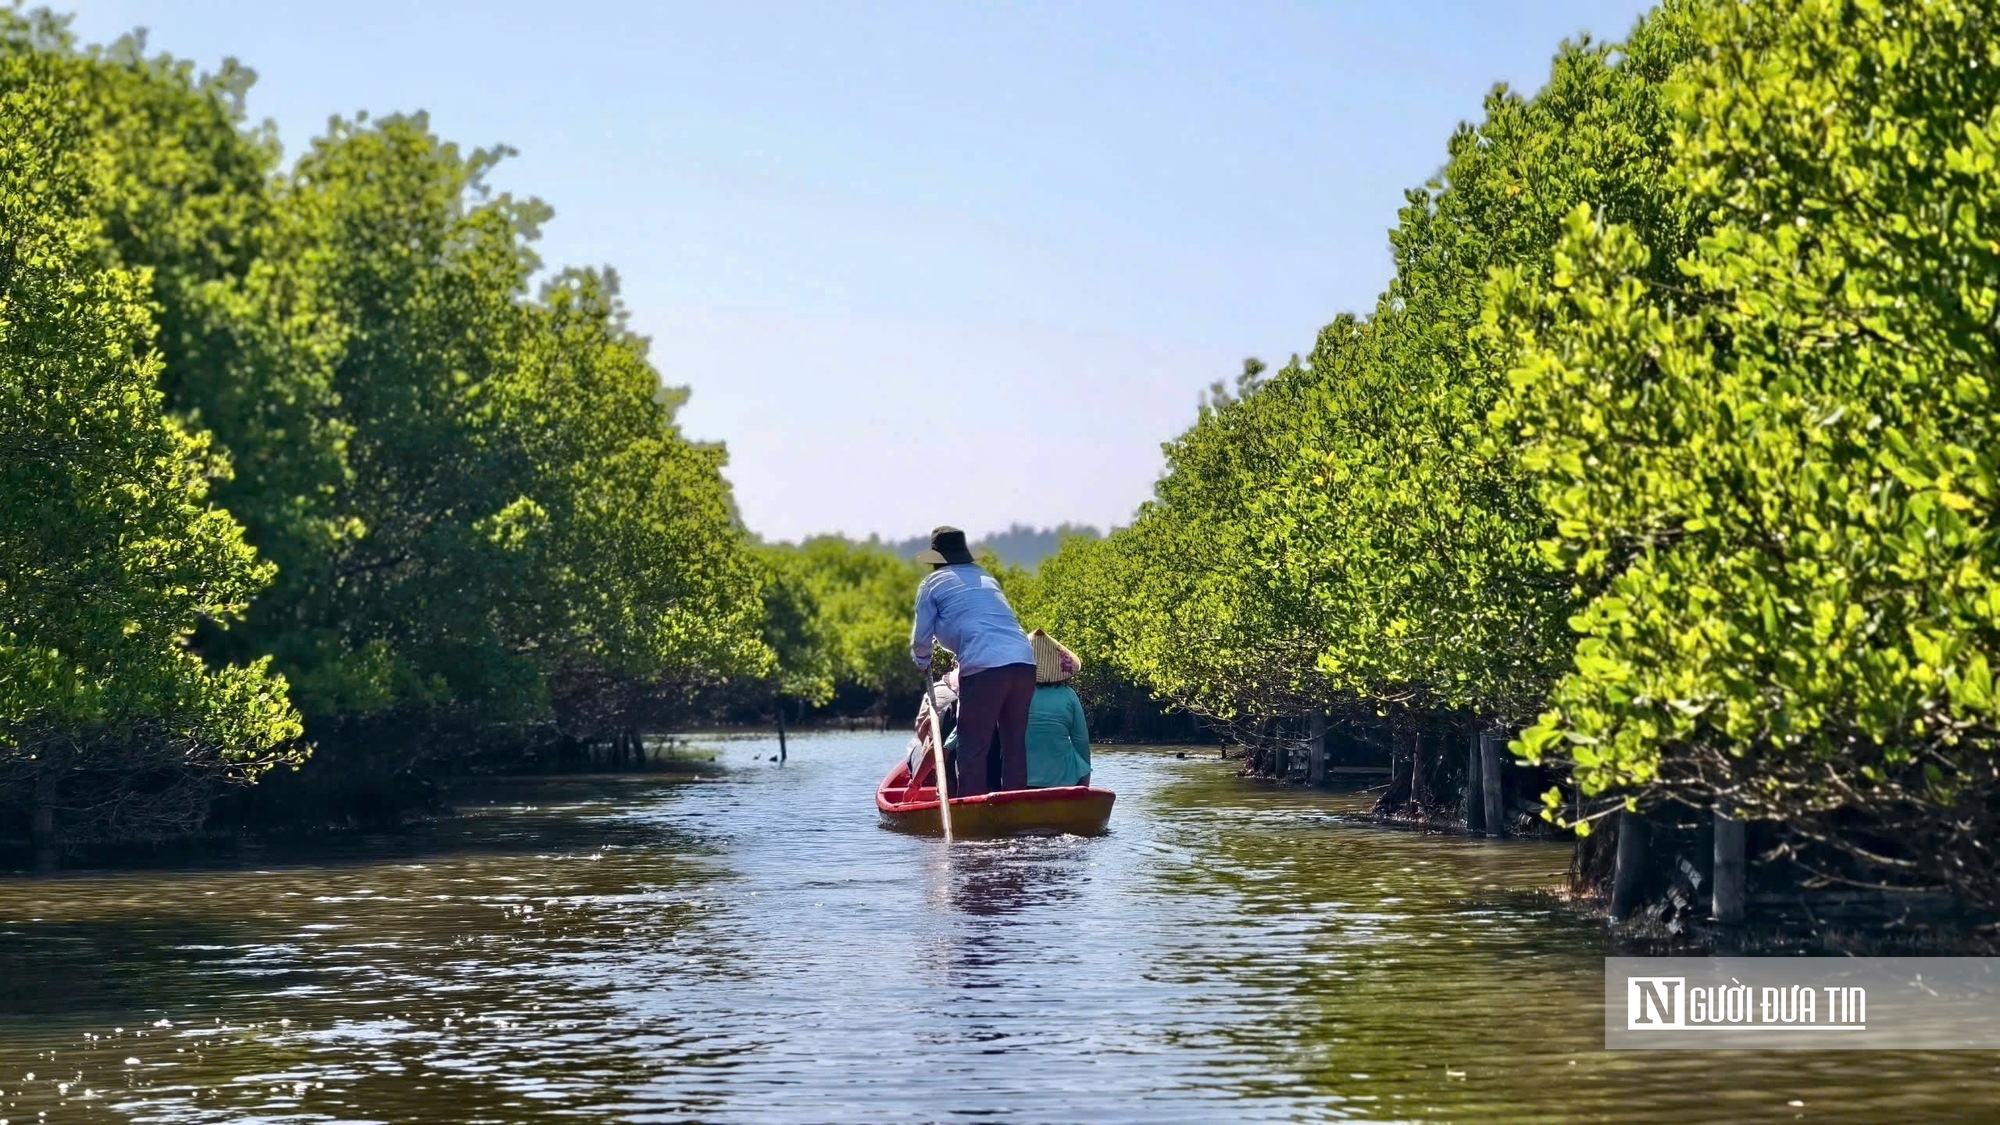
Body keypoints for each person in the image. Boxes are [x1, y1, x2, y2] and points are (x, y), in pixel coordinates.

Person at [909, 526, 1036, 796]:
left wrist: (922, 661)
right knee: (1014, 745)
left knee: (971, 747)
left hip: (985, 668)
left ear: (935, 560)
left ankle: (973, 815)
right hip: (1024, 662)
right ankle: (1016, 809)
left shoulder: (931, 584)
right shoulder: (986, 578)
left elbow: (921, 640)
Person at [1024, 629, 1091, 788]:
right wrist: (1085, 784)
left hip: (1021, 778)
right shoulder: (1069, 696)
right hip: (1064, 777)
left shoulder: (1015, 694)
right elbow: (1081, 742)